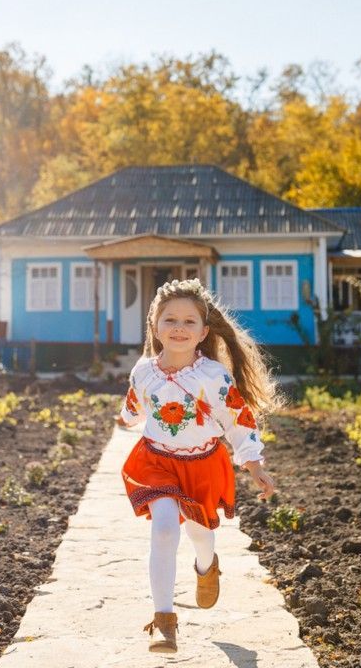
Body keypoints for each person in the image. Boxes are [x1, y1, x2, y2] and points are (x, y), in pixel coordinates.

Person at [116, 277, 278, 653]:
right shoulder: (143, 371)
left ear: (204, 332)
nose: (178, 328)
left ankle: (208, 566)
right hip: (155, 463)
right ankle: (163, 622)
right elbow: (135, 405)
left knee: (199, 535)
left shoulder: (213, 377)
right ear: (154, 326)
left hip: (202, 465)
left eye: (189, 322)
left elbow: (238, 419)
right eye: (169, 320)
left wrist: (254, 464)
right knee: (166, 529)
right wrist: (125, 417)